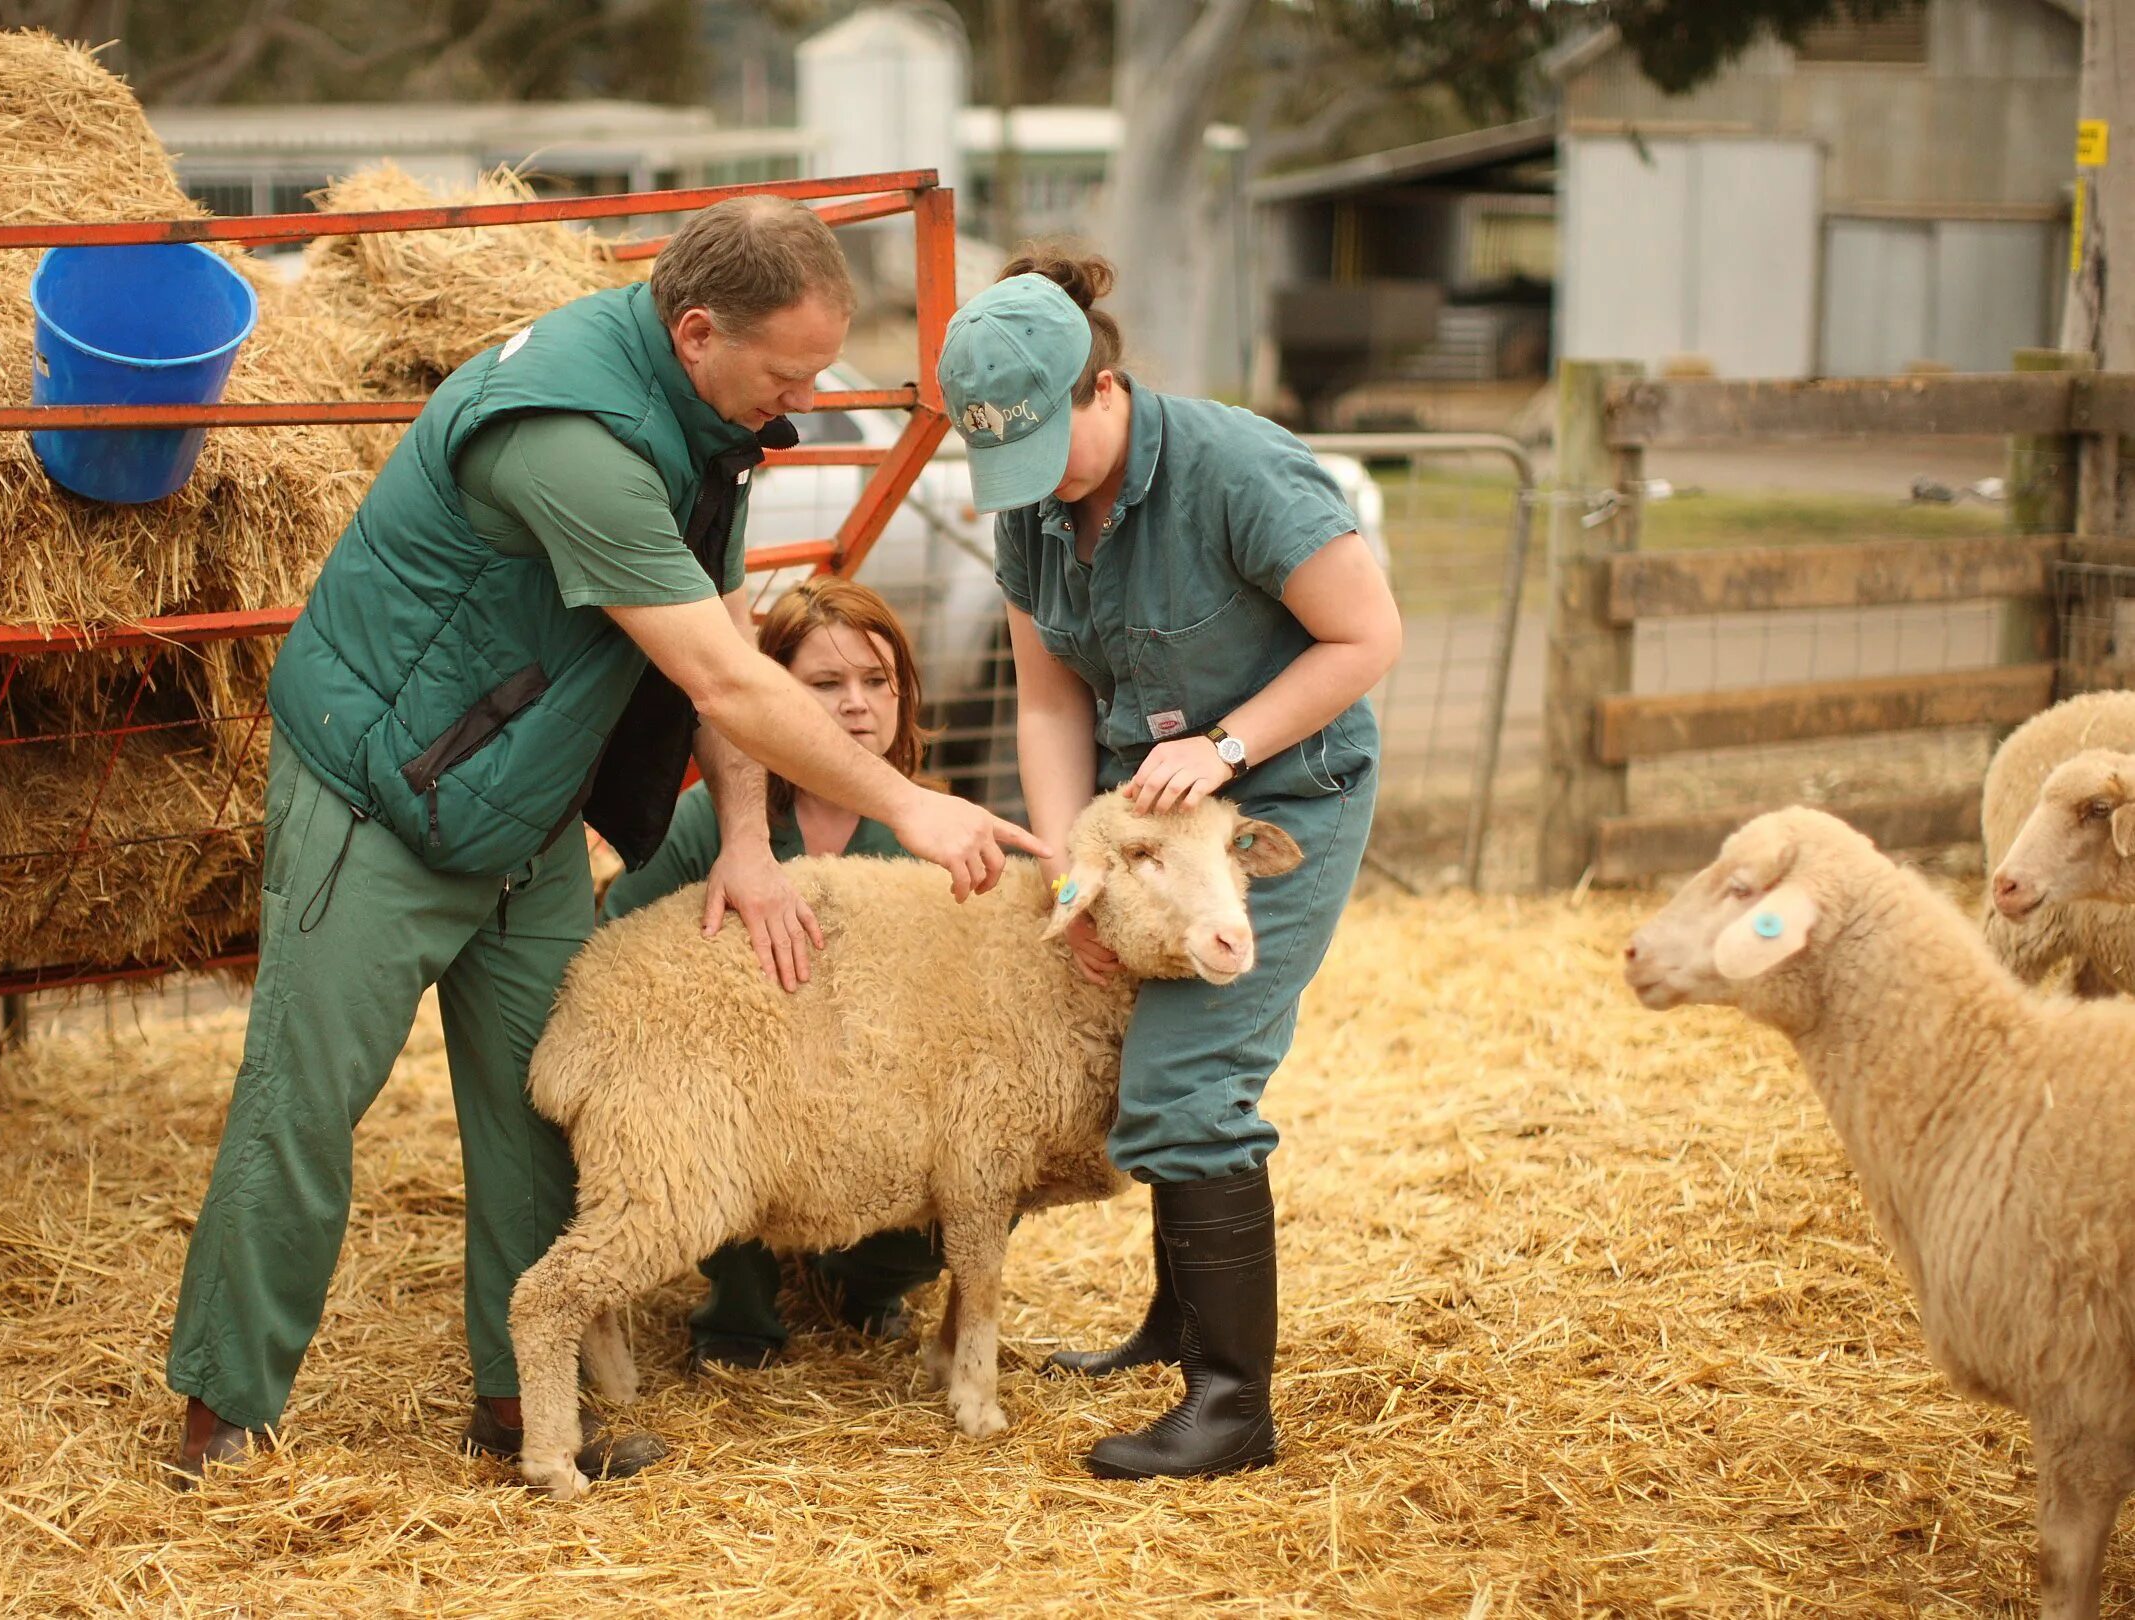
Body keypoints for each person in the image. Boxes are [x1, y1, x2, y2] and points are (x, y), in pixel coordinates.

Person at [164, 198, 1045, 1486]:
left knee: (542, 1111)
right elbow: (728, 682)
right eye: (789, 372)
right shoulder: (573, 437)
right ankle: (225, 1406)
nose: (807, 396)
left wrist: (746, 840)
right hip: (380, 796)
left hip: (518, 809)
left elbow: (728, 636)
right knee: (310, 1096)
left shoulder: (709, 426)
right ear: (696, 331)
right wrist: (912, 804)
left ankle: (526, 1407)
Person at [937, 252, 1404, 1481]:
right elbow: (1044, 706)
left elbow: (1369, 636)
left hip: (1277, 801)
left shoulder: (1235, 470)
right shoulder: (1032, 509)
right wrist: (1071, 878)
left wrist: (1231, 743)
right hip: (1140, 821)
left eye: (1046, 447)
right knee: (1142, 1047)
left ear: (1102, 387)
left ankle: (1232, 1405)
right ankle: (1173, 1325)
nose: (1028, 488)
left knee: (1190, 1075)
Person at [598, 575, 947, 1369]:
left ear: (903, 697)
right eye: (824, 684)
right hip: (748, 1088)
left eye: (875, 682)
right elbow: (619, 942)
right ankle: (739, 1306)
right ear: (772, 692)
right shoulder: (712, 822)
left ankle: (864, 1286)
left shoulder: (927, 834)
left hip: (876, 1101)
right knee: (715, 1103)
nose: (856, 704)